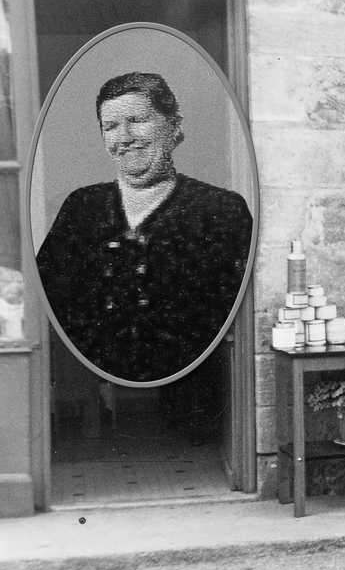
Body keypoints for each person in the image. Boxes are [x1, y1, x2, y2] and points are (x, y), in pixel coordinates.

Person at [36, 72, 252, 384]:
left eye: (137, 119)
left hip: (195, 391)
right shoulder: (81, 207)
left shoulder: (222, 209)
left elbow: (235, 311)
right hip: (93, 385)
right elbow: (49, 296)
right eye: (110, 126)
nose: (123, 137)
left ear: (174, 125)